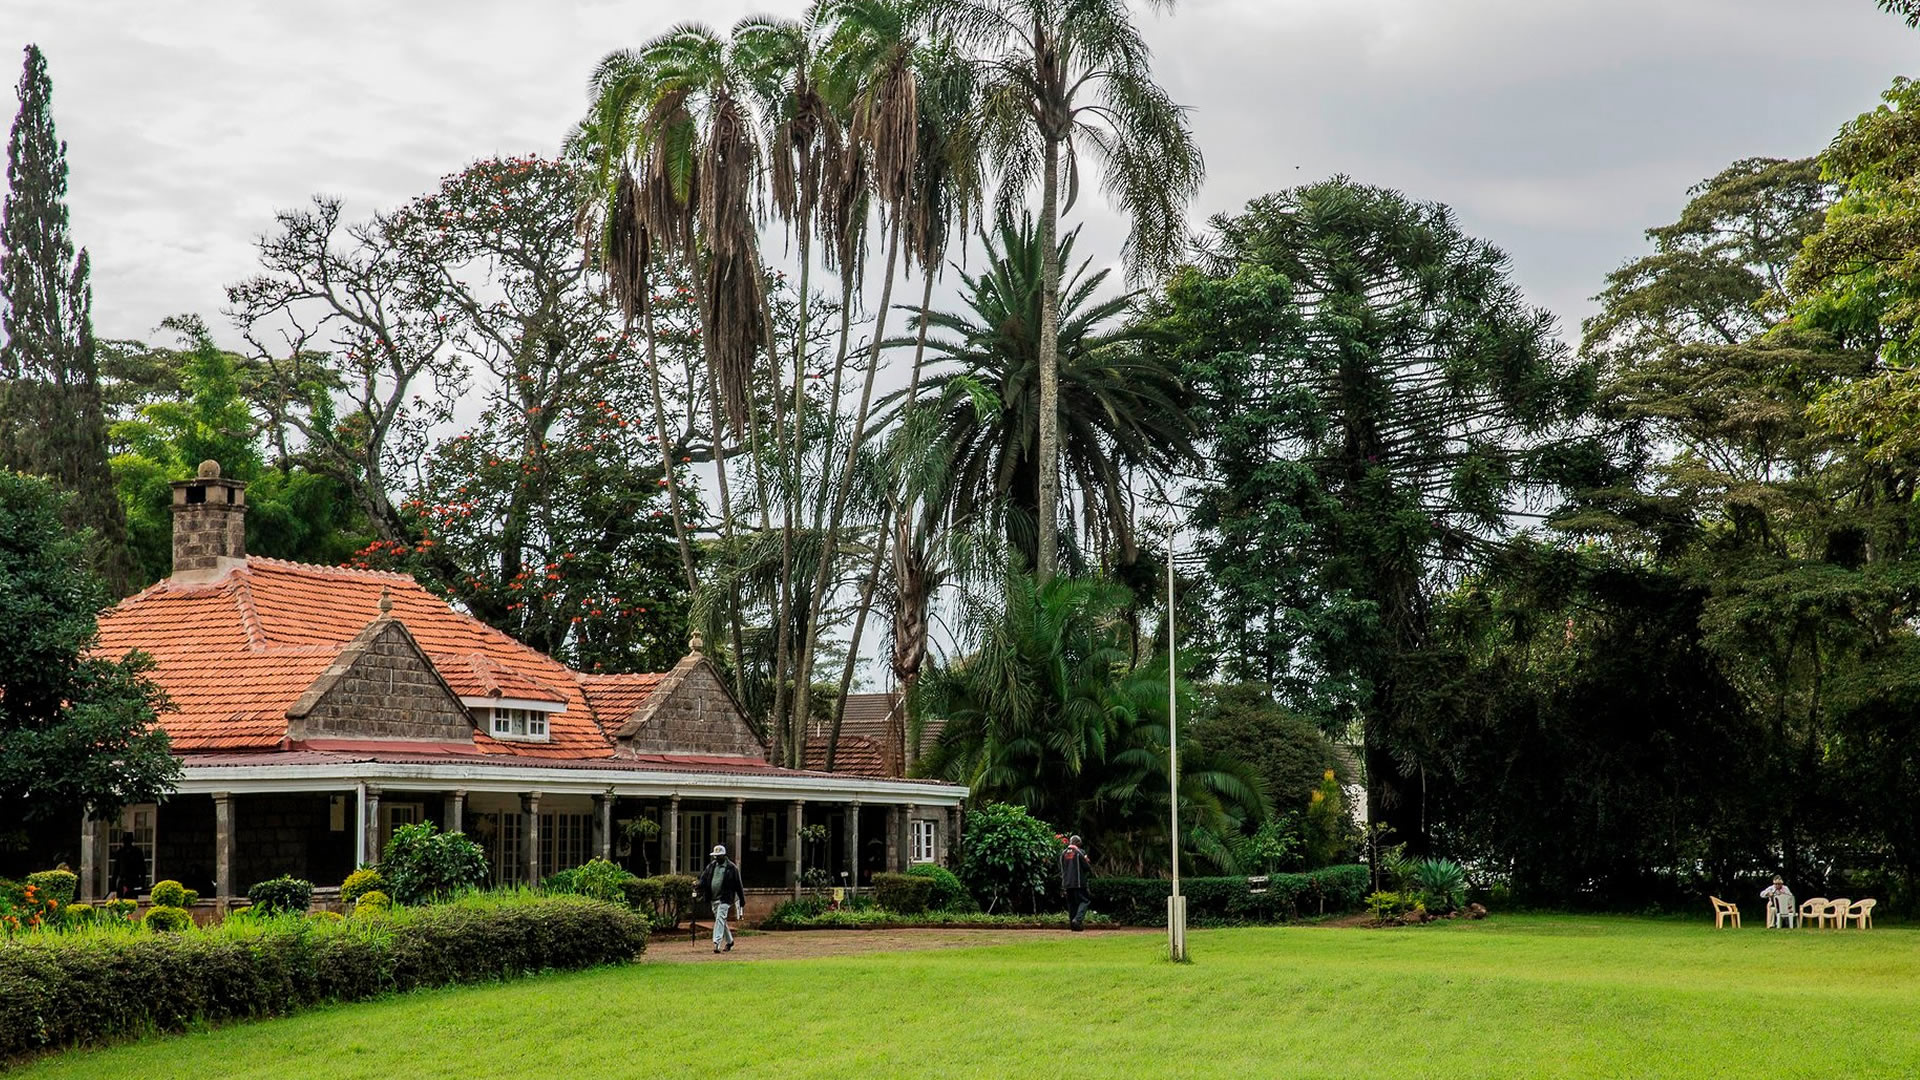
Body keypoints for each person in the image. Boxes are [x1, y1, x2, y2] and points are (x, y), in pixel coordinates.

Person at [702, 844, 746, 954]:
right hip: (714, 898)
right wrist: (697, 886)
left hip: (725, 898)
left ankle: (716, 943)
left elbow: (738, 885)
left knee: (720, 918)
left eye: (718, 856)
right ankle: (730, 941)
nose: (716, 858)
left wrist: (742, 900)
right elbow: (704, 879)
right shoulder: (711, 866)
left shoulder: (732, 868)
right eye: (715, 856)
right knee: (721, 920)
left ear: (724, 855)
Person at [1061, 834, 1092, 932]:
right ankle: (1077, 920)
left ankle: (1073, 926)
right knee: (1085, 901)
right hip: (1078, 882)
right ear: (1077, 843)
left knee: (1072, 904)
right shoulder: (1079, 852)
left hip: (1067, 883)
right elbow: (1087, 867)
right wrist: (1087, 861)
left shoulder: (1063, 853)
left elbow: (1062, 869)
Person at [109, 832, 146, 900]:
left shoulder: (137, 852)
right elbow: (116, 870)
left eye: (128, 841)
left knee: (132, 900)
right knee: (121, 901)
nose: (126, 843)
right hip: (123, 881)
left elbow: (143, 869)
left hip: (134, 881)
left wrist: (142, 883)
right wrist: (113, 886)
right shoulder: (120, 852)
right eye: (125, 841)